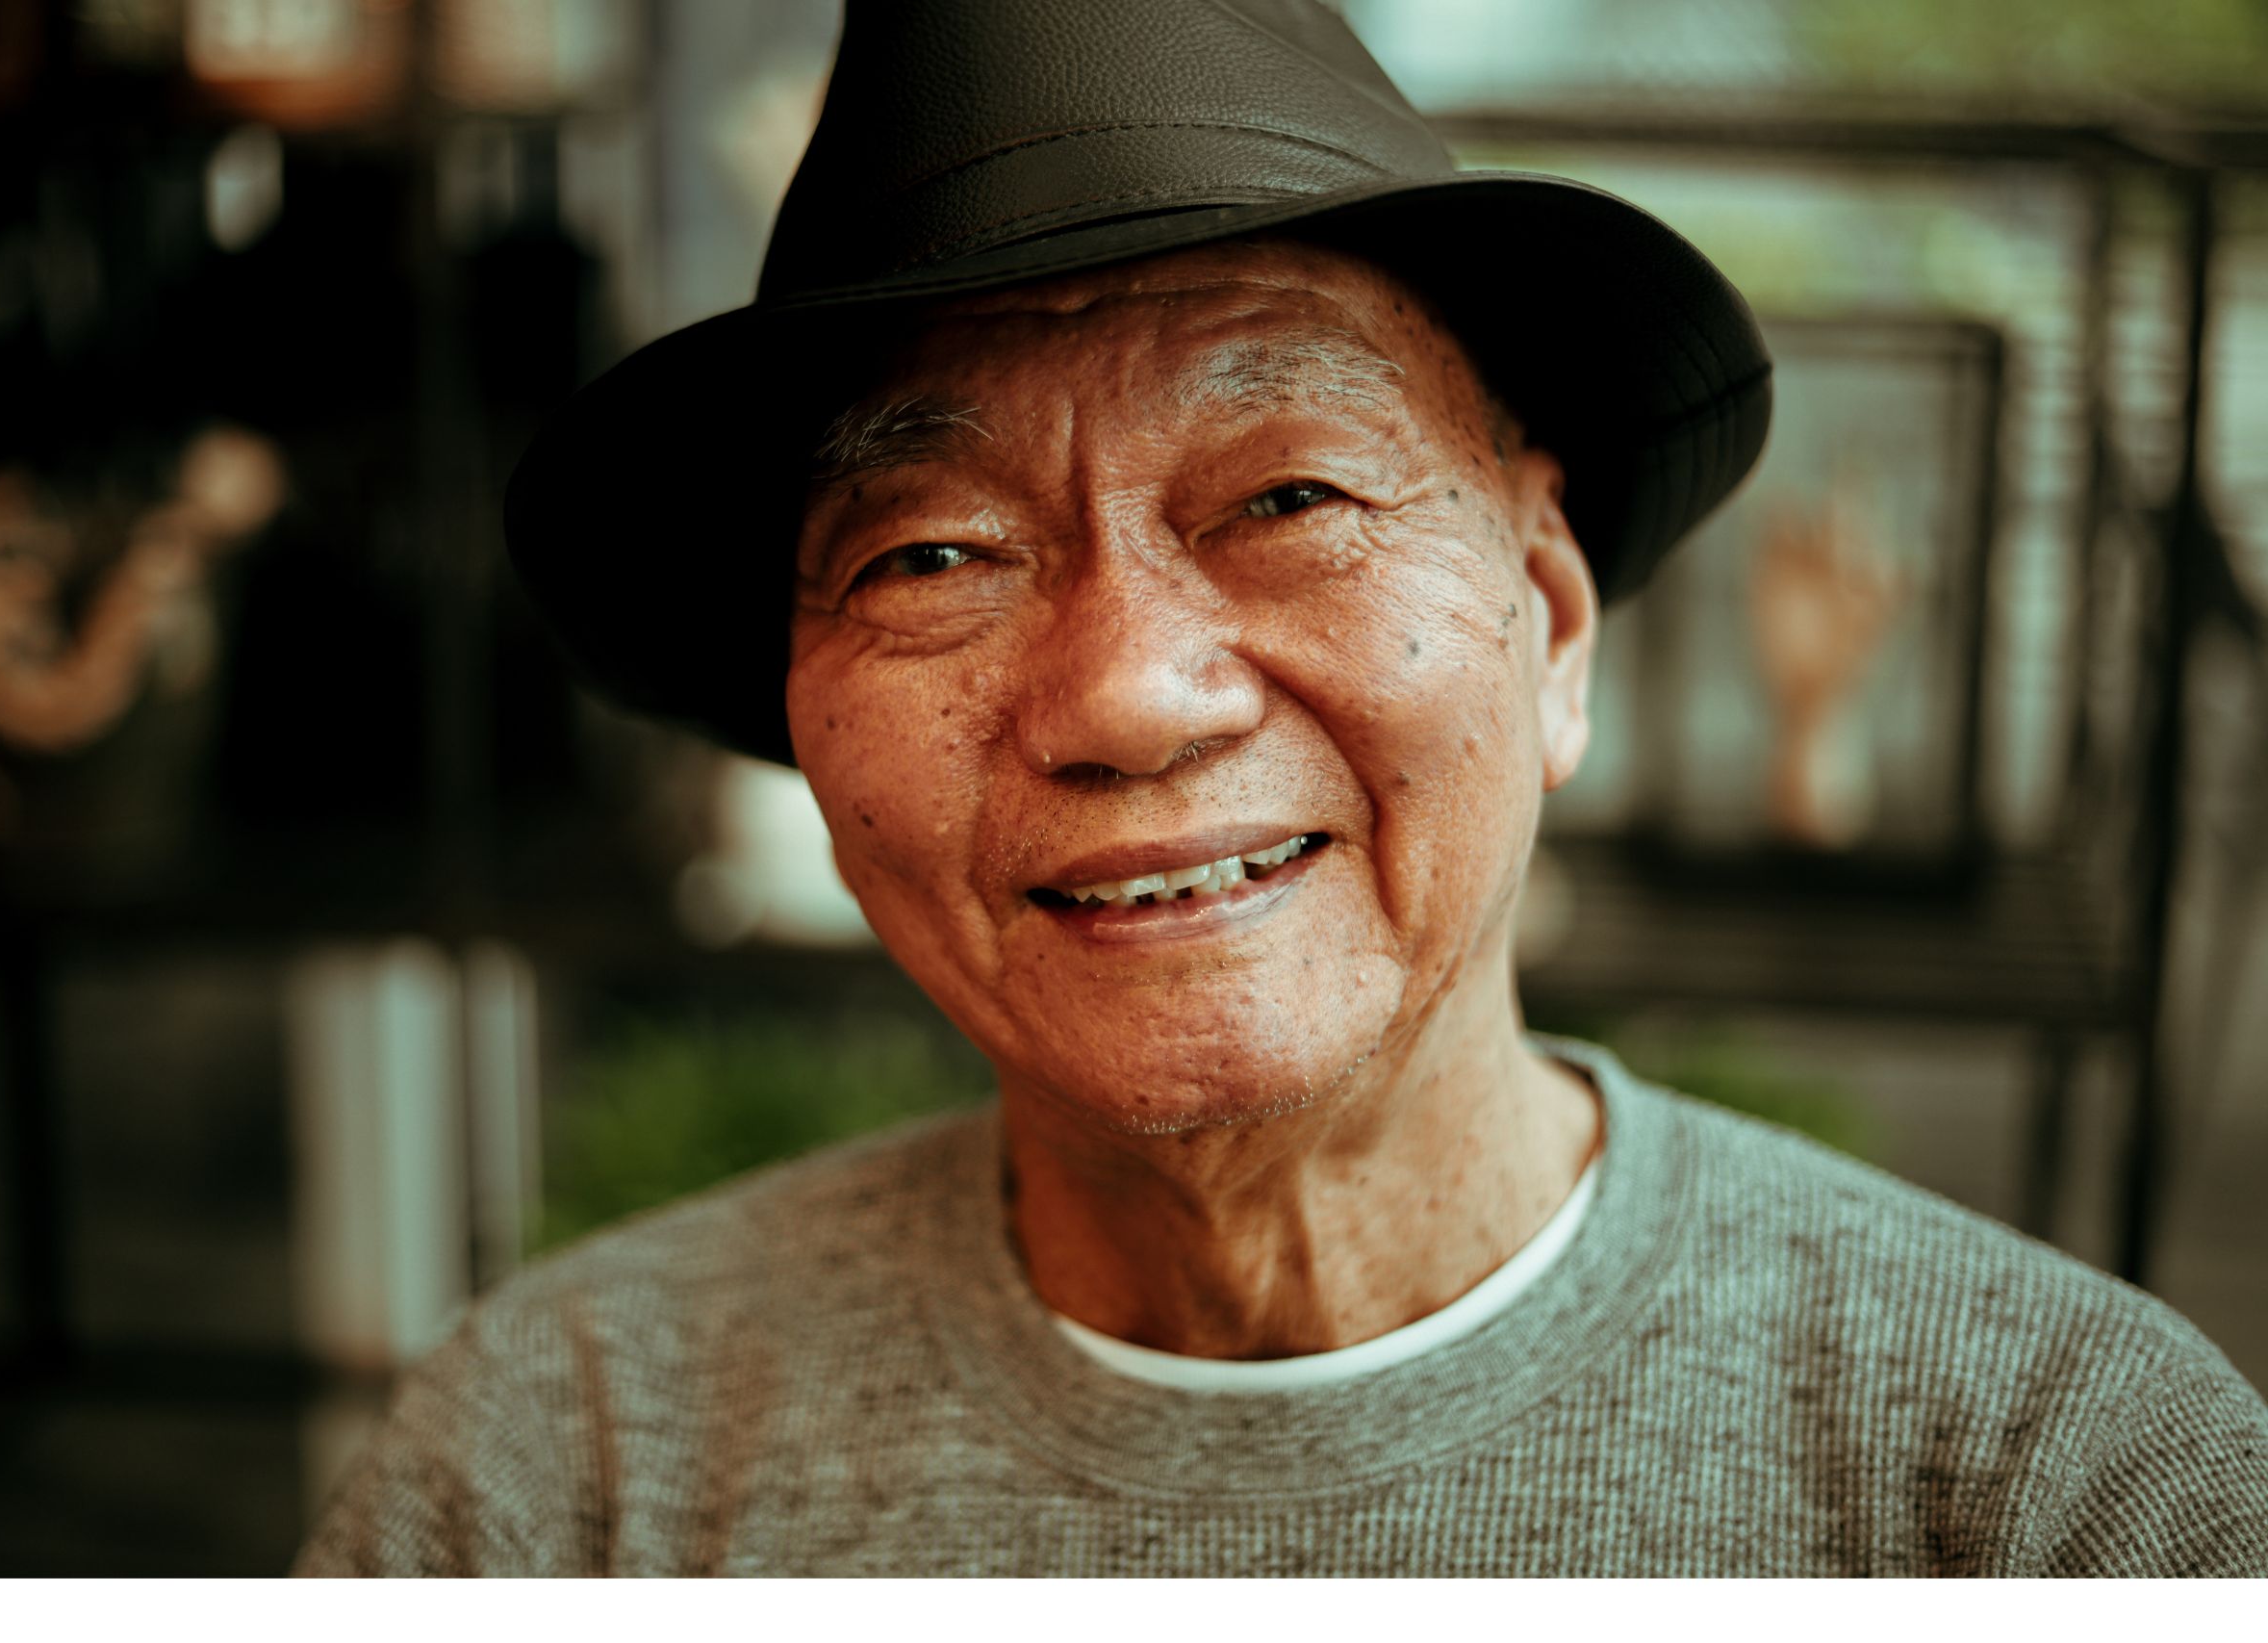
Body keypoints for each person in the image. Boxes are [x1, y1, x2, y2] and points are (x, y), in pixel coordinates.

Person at [297, 0, 2268, 1576]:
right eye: (930, 555)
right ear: (806, 729)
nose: (1129, 694)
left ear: (1550, 627)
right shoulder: (557, 1467)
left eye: (1291, 496)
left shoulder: (2045, 1488)